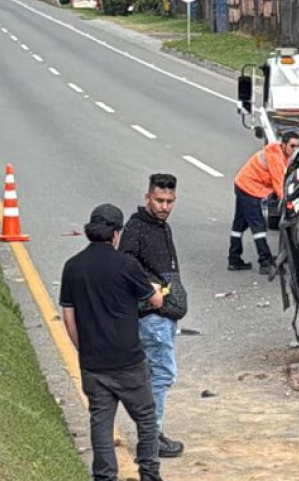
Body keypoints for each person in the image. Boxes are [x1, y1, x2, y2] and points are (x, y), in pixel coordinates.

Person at [59, 204, 165, 481]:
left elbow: (68, 317)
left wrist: (83, 348)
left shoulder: (73, 267)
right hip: (128, 360)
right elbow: (155, 300)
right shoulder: (126, 265)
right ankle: (149, 473)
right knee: (145, 418)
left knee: (101, 423)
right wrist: (155, 290)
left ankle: (105, 477)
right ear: (116, 234)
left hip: (93, 362)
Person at [118, 174, 186, 458]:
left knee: (153, 374)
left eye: (169, 201)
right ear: (147, 197)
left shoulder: (161, 226)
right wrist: (151, 290)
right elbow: (126, 266)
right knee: (162, 374)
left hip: (163, 315)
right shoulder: (136, 228)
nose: (164, 206)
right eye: (159, 200)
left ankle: (150, 433)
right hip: (151, 315)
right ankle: (151, 436)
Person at [229, 131, 299, 275]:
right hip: (249, 189)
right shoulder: (276, 157)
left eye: (297, 147)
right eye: (292, 146)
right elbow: (279, 186)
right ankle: (265, 261)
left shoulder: (281, 153)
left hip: (242, 184)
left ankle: (234, 258)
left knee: (239, 224)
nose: (294, 150)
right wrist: (290, 204)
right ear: (284, 144)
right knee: (259, 226)